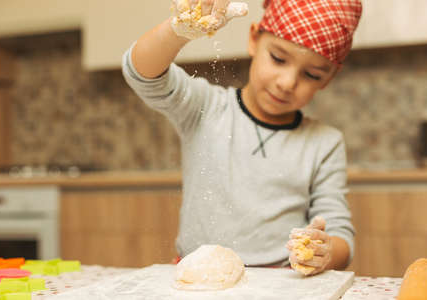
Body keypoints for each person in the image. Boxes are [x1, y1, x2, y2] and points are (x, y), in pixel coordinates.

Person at [122, 0, 362, 276]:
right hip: (199, 280)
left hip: (281, 285)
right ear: (253, 40)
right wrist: (178, 30)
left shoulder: (324, 143)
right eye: (278, 59)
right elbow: (141, 74)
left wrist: (326, 251)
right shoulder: (206, 108)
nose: (287, 82)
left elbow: (340, 235)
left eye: (311, 74)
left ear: (328, 79)